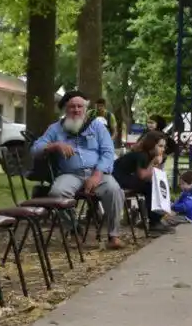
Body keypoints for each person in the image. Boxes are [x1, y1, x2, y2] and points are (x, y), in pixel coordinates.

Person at [31, 90, 126, 250]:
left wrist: (97, 175)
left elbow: (108, 152)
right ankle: (74, 230)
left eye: (80, 106)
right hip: (70, 174)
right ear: (65, 109)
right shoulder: (55, 129)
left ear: (85, 108)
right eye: (72, 107)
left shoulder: (97, 126)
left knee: (114, 190)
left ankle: (113, 236)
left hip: (97, 173)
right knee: (57, 193)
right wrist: (55, 145)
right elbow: (35, 149)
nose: (76, 110)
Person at [112, 130, 174, 235]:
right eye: (160, 146)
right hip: (118, 178)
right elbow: (143, 176)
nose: (163, 149)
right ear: (151, 145)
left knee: (155, 184)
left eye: (164, 147)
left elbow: (149, 174)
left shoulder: (148, 155)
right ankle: (154, 222)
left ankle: (154, 218)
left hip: (127, 177)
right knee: (151, 186)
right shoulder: (142, 155)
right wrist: (154, 163)